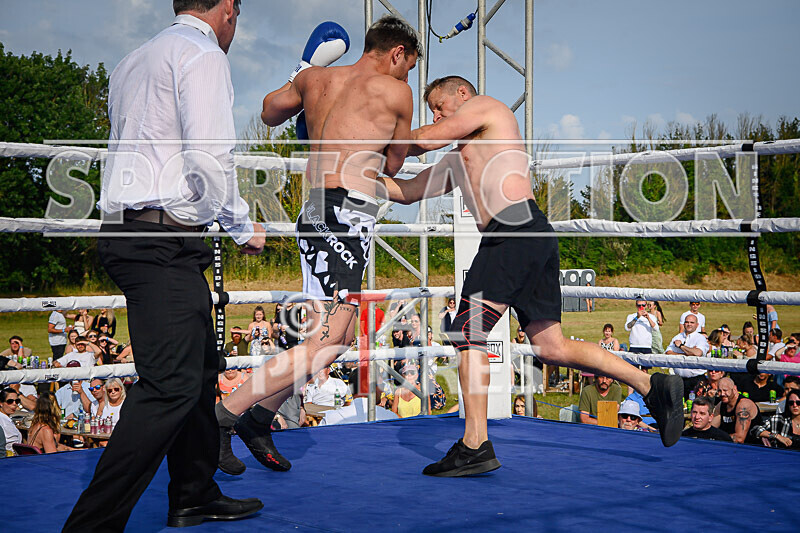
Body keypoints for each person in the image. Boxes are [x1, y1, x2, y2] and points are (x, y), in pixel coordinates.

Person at [378, 74, 684, 476]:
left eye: (440, 106)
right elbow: (408, 190)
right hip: (528, 235)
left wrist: (382, 135)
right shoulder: (460, 158)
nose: (436, 115)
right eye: (432, 111)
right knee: (550, 346)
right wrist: (358, 177)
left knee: (467, 331)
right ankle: (651, 385)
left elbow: (430, 137)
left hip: (514, 230)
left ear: (462, 94)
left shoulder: (487, 108)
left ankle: (475, 444)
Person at [63, 1, 266, 529]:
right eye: (237, 17)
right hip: (163, 241)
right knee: (170, 386)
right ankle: (91, 523)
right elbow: (209, 155)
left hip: (136, 232)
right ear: (227, 9)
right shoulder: (201, 54)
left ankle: (194, 493)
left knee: (199, 372)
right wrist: (243, 226)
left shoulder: (133, 60)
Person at [214, 15, 420, 474]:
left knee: (340, 338)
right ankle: (225, 415)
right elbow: (394, 158)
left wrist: (302, 72)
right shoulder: (396, 91)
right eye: (408, 67)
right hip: (346, 216)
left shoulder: (314, 78)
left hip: (316, 211)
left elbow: (269, 112)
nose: (407, 77)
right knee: (325, 341)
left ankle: (260, 418)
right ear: (397, 53)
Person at [665, 314, 709, 398]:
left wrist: (681, 346)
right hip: (679, 380)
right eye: (687, 322)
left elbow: (698, 353)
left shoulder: (700, 338)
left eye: (692, 322)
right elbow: (668, 353)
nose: (689, 324)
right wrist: (687, 354)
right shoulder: (677, 337)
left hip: (696, 379)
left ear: (697, 325)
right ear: (683, 324)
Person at [712, 377, 763, 444]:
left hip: (751, 448)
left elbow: (739, 439)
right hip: (728, 446)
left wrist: (716, 438)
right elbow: (711, 428)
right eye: (719, 391)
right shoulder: (721, 405)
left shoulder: (744, 405)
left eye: (725, 390)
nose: (722, 394)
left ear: (734, 389)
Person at [0, 388, 22, 453]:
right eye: (10, 401)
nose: (14, 404)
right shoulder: (3, 421)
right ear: (1, 403)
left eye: (17, 401)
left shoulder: (6, 418)